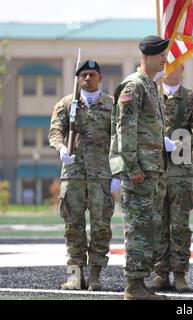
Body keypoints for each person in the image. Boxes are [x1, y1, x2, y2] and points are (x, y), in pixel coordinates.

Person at [109, 35, 171, 300]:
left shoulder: (151, 86)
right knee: (137, 227)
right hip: (139, 171)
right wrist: (132, 165)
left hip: (152, 169)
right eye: (161, 55)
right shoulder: (134, 86)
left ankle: (139, 283)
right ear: (147, 56)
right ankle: (133, 286)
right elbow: (125, 130)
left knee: (149, 227)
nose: (165, 59)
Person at [49, 59, 116, 291]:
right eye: (83, 75)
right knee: (73, 227)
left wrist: (117, 171)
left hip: (101, 175)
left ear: (100, 77)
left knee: (101, 226)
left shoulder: (112, 105)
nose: (87, 78)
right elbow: (56, 131)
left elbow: (119, 139)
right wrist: (61, 149)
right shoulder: (67, 104)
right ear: (78, 78)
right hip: (73, 174)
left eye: (92, 74)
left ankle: (96, 275)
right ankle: (75, 275)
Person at [150, 64, 193, 292]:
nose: (168, 69)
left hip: (181, 171)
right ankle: (160, 272)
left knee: (180, 225)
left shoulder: (192, 99)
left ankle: (180, 273)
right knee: (159, 223)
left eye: (173, 64)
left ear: (182, 67)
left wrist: (178, 145)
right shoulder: (150, 95)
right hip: (156, 169)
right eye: (165, 64)